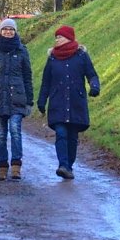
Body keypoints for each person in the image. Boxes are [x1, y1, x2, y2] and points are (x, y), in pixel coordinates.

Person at [36, 25, 101, 180]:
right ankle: (63, 165)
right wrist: (41, 100)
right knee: (61, 133)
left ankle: (69, 166)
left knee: (72, 137)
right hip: (57, 102)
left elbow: (92, 74)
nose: (56, 40)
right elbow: (46, 82)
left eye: (59, 37)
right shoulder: (52, 58)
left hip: (76, 102)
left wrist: (94, 86)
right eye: (56, 37)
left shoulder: (81, 56)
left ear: (69, 38)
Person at [0, 19, 33, 181]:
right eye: (5, 29)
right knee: (1, 134)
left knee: (15, 130)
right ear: (0, 32)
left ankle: (16, 166)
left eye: (11, 29)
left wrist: (29, 100)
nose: (8, 32)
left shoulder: (22, 50)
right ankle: (2, 166)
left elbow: (27, 77)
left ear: (15, 32)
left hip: (17, 97)